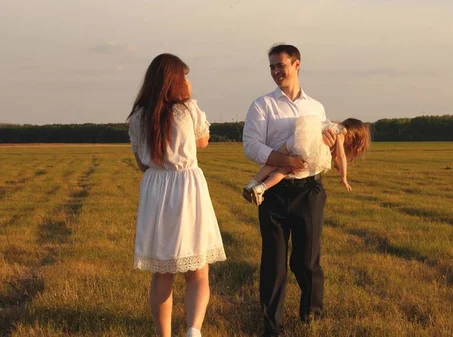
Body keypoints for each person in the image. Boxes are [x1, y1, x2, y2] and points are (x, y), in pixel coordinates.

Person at [127, 53, 226, 337]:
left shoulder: (138, 116)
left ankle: (164, 335)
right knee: (197, 269)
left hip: (156, 190)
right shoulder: (188, 109)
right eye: (184, 76)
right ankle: (193, 331)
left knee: (162, 271)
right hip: (186, 188)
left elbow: (141, 164)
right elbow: (203, 142)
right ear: (175, 80)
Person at [243, 43, 337, 337]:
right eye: (271, 66)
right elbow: (252, 145)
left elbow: (323, 142)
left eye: (280, 65)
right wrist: (286, 160)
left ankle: (312, 317)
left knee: (307, 260)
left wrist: (331, 142)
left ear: (297, 65)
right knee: (273, 261)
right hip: (275, 193)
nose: (275, 71)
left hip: (309, 189)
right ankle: (272, 327)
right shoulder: (262, 105)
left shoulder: (316, 106)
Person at [242, 116, 371, 205]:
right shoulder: (342, 133)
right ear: (353, 135)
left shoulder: (333, 125)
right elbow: (341, 156)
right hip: (306, 147)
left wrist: (336, 163)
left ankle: (251, 184)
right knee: (284, 170)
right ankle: (262, 188)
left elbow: (336, 157)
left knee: (274, 162)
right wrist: (344, 177)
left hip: (295, 138)